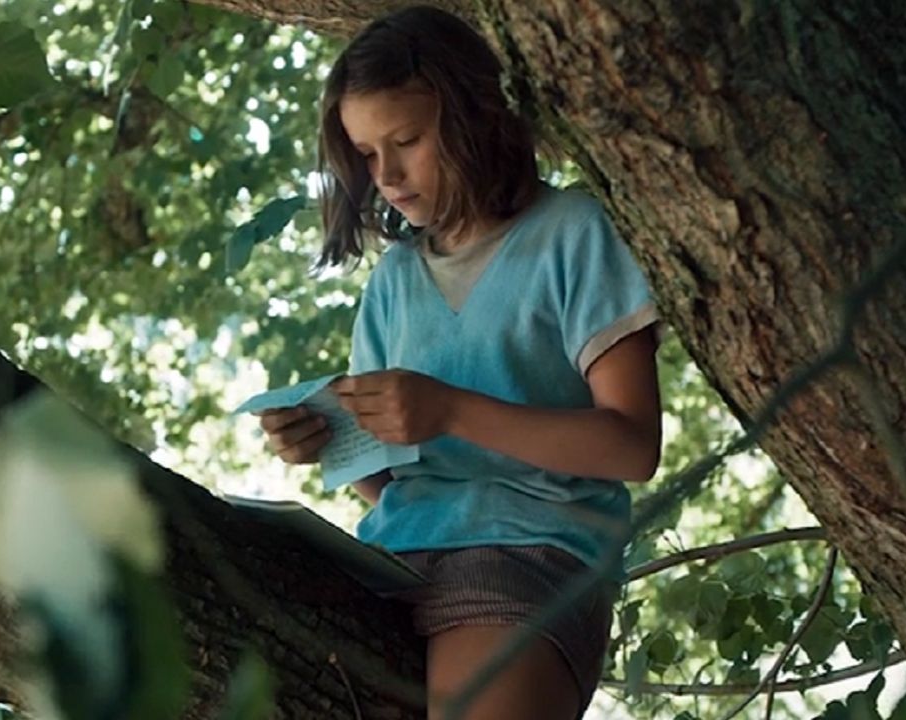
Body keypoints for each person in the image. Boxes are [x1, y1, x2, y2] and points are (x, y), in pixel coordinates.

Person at [258, 6, 661, 719]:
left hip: (534, 552)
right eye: (365, 153)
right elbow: (387, 473)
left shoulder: (573, 233)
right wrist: (327, 440)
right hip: (391, 555)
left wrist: (449, 410)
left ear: (474, 115)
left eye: (406, 141)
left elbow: (631, 446)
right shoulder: (392, 281)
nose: (384, 174)